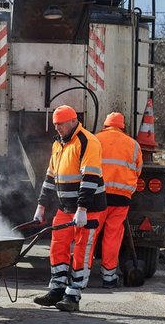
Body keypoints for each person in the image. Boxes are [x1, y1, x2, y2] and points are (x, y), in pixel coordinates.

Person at [32, 105, 107, 312]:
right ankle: (56, 290)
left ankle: (73, 296)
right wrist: (41, 205)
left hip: (88, 208)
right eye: (55, 124)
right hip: (66, 207)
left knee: (82, 250)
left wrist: (82, 208)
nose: (57, 128)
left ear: (73, 121)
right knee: (58, 245)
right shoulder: (58, 145)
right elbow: (49, 178)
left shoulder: (87, 141)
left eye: (61, 124)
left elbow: (90, 178)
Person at [94, 112, 143, 288]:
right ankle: (108, 277)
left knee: (89, 235)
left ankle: (80, 274)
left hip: (97, 196)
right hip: (121, 199)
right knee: (112, 237)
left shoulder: (95, 140)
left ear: (105, 125)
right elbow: (138, 171)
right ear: (122, 127)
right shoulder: (134, 145)